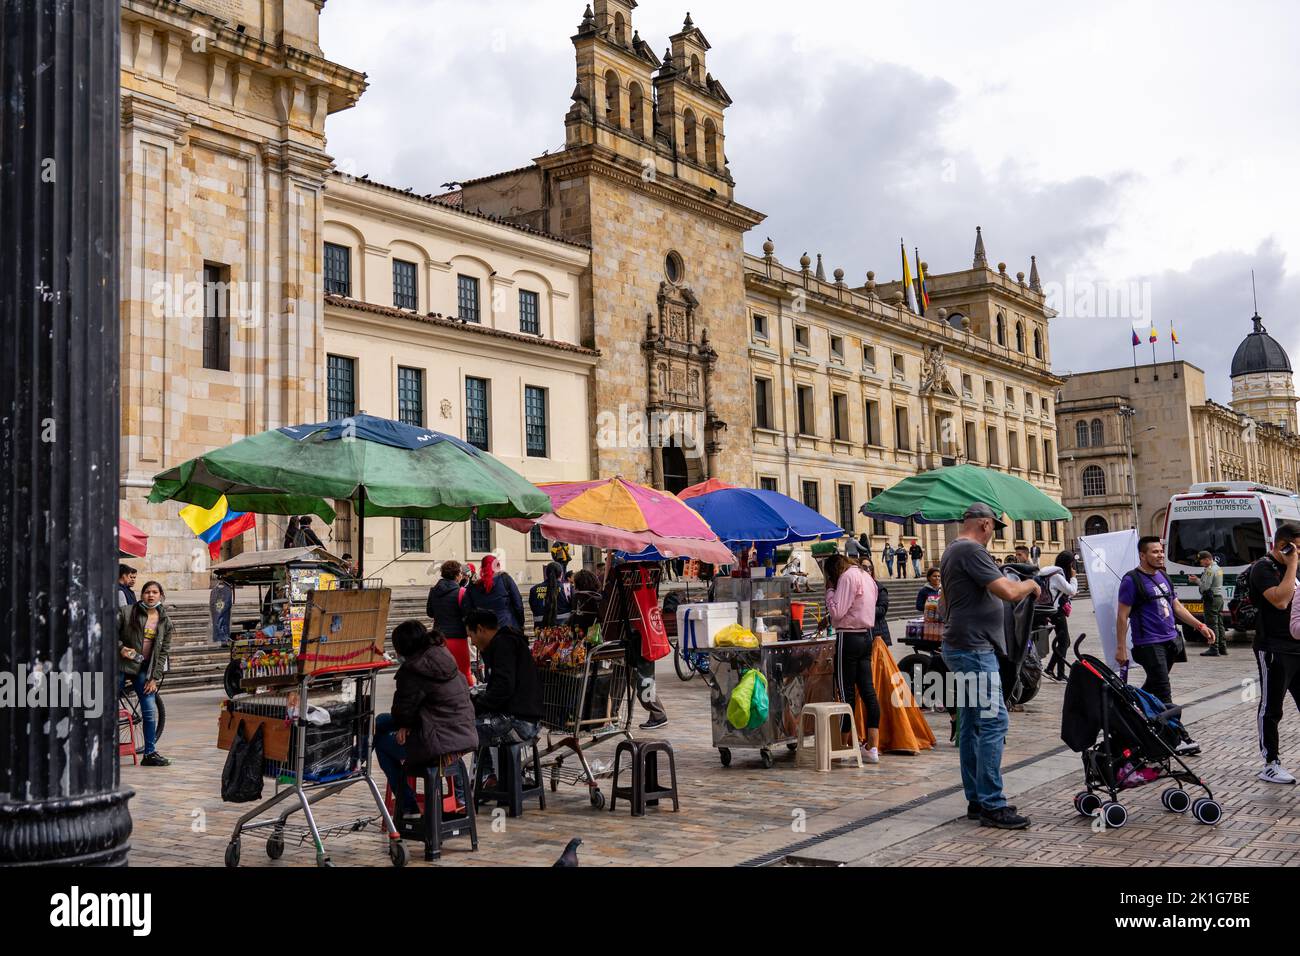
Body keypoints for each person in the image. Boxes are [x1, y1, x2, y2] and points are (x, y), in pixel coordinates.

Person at [941, 503, 1040, 829]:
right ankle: (992, 804)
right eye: (994, 530)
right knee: (994, 722)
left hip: (962, 645)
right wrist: (1031, 584)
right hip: (973, 649)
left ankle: (976, 799)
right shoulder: (971, 550)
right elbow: (1009, 592)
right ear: (985, 524)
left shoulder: (953, 550)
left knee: (971, 725)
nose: (992, 537)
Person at [1116, 535, 1214, 755]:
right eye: (1155, 552)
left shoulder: (1163, 576)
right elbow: (1122, 616)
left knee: (1152, 690)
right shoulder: (1131, 580)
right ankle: (1179, 738)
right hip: (1148, 644)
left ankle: (1128, 718)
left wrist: (1200, 626)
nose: (1160, 555)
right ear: (1142, 555)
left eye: (1161, 551)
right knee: (1163, 690)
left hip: (1170, 641)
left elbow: (1177, 607)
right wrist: (1121, 647)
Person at [373, 621, 477, 814]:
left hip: (436, 741)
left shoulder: (413, 669)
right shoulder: (443, 656)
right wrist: (405, 724)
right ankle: (356, 762)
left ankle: (408, 806)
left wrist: (405, 723)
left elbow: (401, 711)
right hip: (461, 732)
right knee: (380, 721)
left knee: (382, 744)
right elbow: (414, 709)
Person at [465, 609, 544, 782]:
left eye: (471, 636)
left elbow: (502, 689)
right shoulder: (505, 642)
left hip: (520, 722)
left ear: (480, 629)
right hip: (522, 717)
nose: (472, 642)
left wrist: (475, 706)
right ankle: (491, 777)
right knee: (473, 723)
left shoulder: (504, 644)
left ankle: (485, 778)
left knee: (463, 730)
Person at [1249, 524, 1300, 784]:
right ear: (1284, 545)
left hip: (1297, 646)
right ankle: (1271, 763)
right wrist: (1291, 565)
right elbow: (1280, 600)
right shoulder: (1263, 568)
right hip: (1274, 649)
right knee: (1272, 708)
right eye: (1297, 547)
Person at [823, 553, 881, 763]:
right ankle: (872, 747)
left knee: (845, 691)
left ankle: (843, 744)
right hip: (866, 636)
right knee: (868, 691)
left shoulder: (847, 577)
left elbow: (837, 613)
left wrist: (830, 591)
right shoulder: (866, 576)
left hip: (848, 637)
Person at [117, 581, 173, 766]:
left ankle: (149, 753)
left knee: (149, 711)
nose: (151, 595)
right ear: (142, 595)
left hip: (144, 670)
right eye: (147, 592)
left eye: (155, 592)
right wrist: (121, 648)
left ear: (160, 595)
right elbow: (108, 632)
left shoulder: (165, 621)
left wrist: (154, 678)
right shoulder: (126, 612)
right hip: (121, 666)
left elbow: (163, 652)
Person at [427, 560, 472, 683]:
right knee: (464, 673)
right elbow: (467, 614)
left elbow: (430, 613)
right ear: (457, 575)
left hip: (438, 639)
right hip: (458, 639)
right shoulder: (461, 592)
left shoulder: (434, 591)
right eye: (461, 573)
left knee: (440, 675)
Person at [1041, 551, 1079, 681]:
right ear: (1068, 564)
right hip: (1056, 612)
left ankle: (1051, 669)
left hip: (1050, 611)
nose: (1073, 567)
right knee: (1064, 642)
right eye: (1072, 564)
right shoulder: (1057, 576)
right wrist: (1073, 577)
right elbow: (1072, 590)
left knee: (1063, 641)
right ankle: (1058, 672)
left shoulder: (1050, 572)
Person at [460, 554, 524, 632]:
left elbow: (467, 609)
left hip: (484, 631)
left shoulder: (473, 586)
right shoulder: (505, 579)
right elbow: (518, 604)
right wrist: (520, 623)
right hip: (507, 627)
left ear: (482, 567)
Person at [1189, 550, 1228, 657]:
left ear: (1207, 560)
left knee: (1212, 624)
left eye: (1201, 561)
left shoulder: (1210, 570)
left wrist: (1196, 580)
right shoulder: (1218, 568)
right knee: (1220, 623)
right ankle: (1222, 647)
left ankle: (1213, 648)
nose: (1200, 564)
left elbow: (1205, 587)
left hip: (1211, 599)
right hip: (1219, 598)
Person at [529, 560, 571, 626]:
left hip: (541, 630)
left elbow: (533, 608)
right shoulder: (567, 588)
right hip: (563, 631)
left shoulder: (534, 589)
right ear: (561, 574)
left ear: (546, 574)